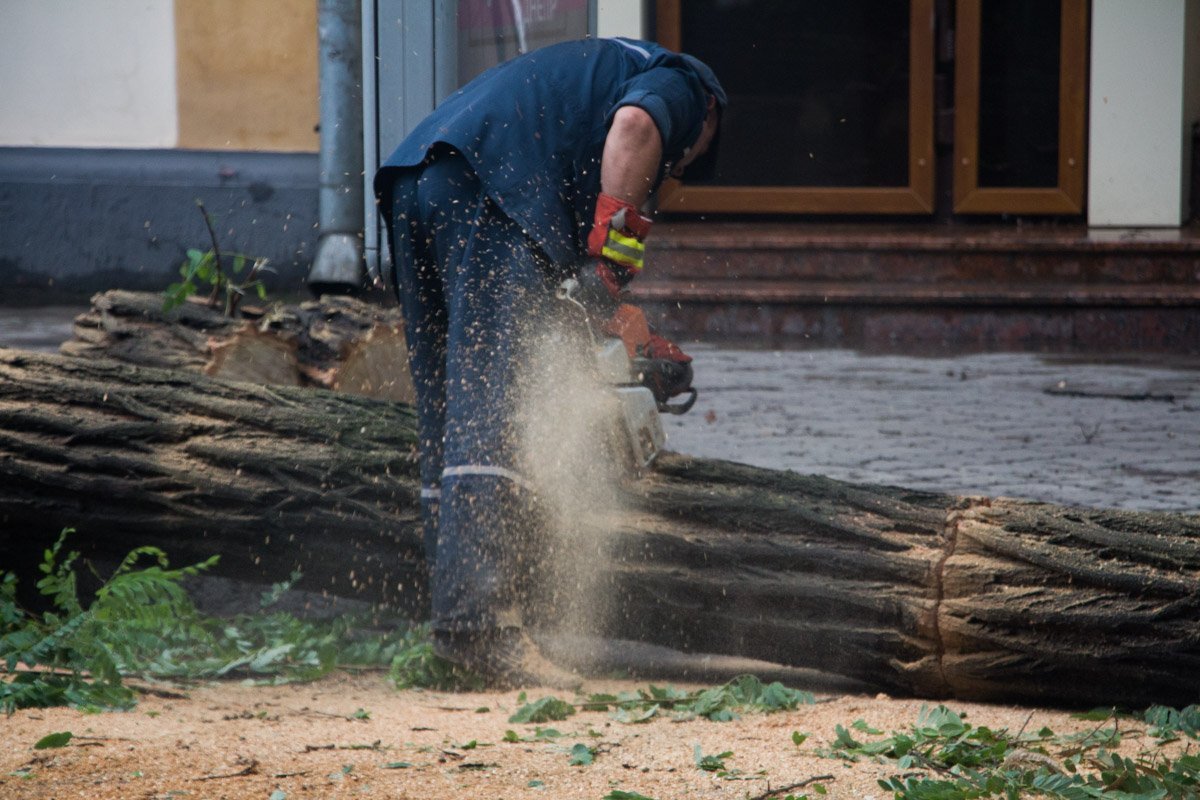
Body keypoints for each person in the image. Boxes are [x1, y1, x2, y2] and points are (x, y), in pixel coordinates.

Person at [374, 36, 725, 687]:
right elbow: (638, 126)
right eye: (681, 164)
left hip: (415, 184)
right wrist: (612, 260)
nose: (669, 180)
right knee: (493, 408)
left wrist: (593, 313)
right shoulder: (680, 81)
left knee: (449, 413)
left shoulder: (588, 77)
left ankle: (450, 616)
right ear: (707, 118)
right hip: (487, 191)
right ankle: (479, 634)